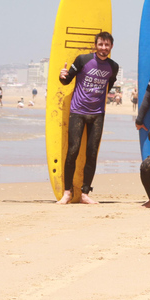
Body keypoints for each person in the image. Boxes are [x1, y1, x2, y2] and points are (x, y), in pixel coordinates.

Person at [57, 31, 119, 205]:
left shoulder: (113, 67)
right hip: (77, 111)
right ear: (95, 45)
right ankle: (67, 192)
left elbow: (110, 84)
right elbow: (66, 80)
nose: (103, 48)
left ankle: (85, 193)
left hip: (97, 114)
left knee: (92, 154)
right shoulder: (82, 60)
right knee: (73, 151)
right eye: (100, 44)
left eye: (107, 45)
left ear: (111, 47)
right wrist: (62, 76)